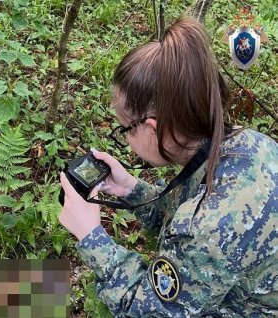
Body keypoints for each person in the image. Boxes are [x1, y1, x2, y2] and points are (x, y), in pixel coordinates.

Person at [59, 16, 278, 317]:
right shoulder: (246, 143)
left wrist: (91, 236)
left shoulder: (212, 227)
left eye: (124, 129)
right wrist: (132, 190)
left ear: (153, 127)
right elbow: (192, 211)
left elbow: (148, 309)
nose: (125, 139)